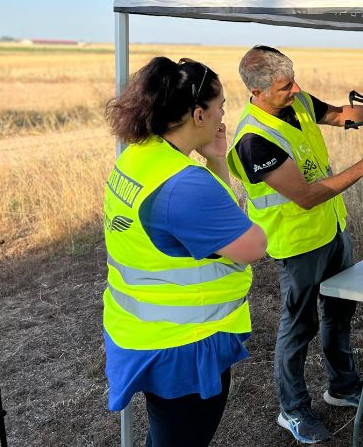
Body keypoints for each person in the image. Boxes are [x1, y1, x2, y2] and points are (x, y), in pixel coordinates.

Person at [226, 45, 363, 443]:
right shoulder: (254, 142)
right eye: (285, 86)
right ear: (257, 92)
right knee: (299, 327)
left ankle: (342, 388)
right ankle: (293, 409)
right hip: (298, 244)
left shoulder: (296, 101)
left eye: (293, 80)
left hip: (332, 231)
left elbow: (337, 114)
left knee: (339, 312)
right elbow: (306, 195)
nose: (296, 89)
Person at [103, 57, 267, 447]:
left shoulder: (139, 156)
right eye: (221, 106)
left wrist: (213, 158)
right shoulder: (185, 186)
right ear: (197, 114)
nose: (225, 114)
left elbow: (209, 225)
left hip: (138, 331)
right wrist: (216, 166)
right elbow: (252, 245)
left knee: (165, 435)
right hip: (183, 347)